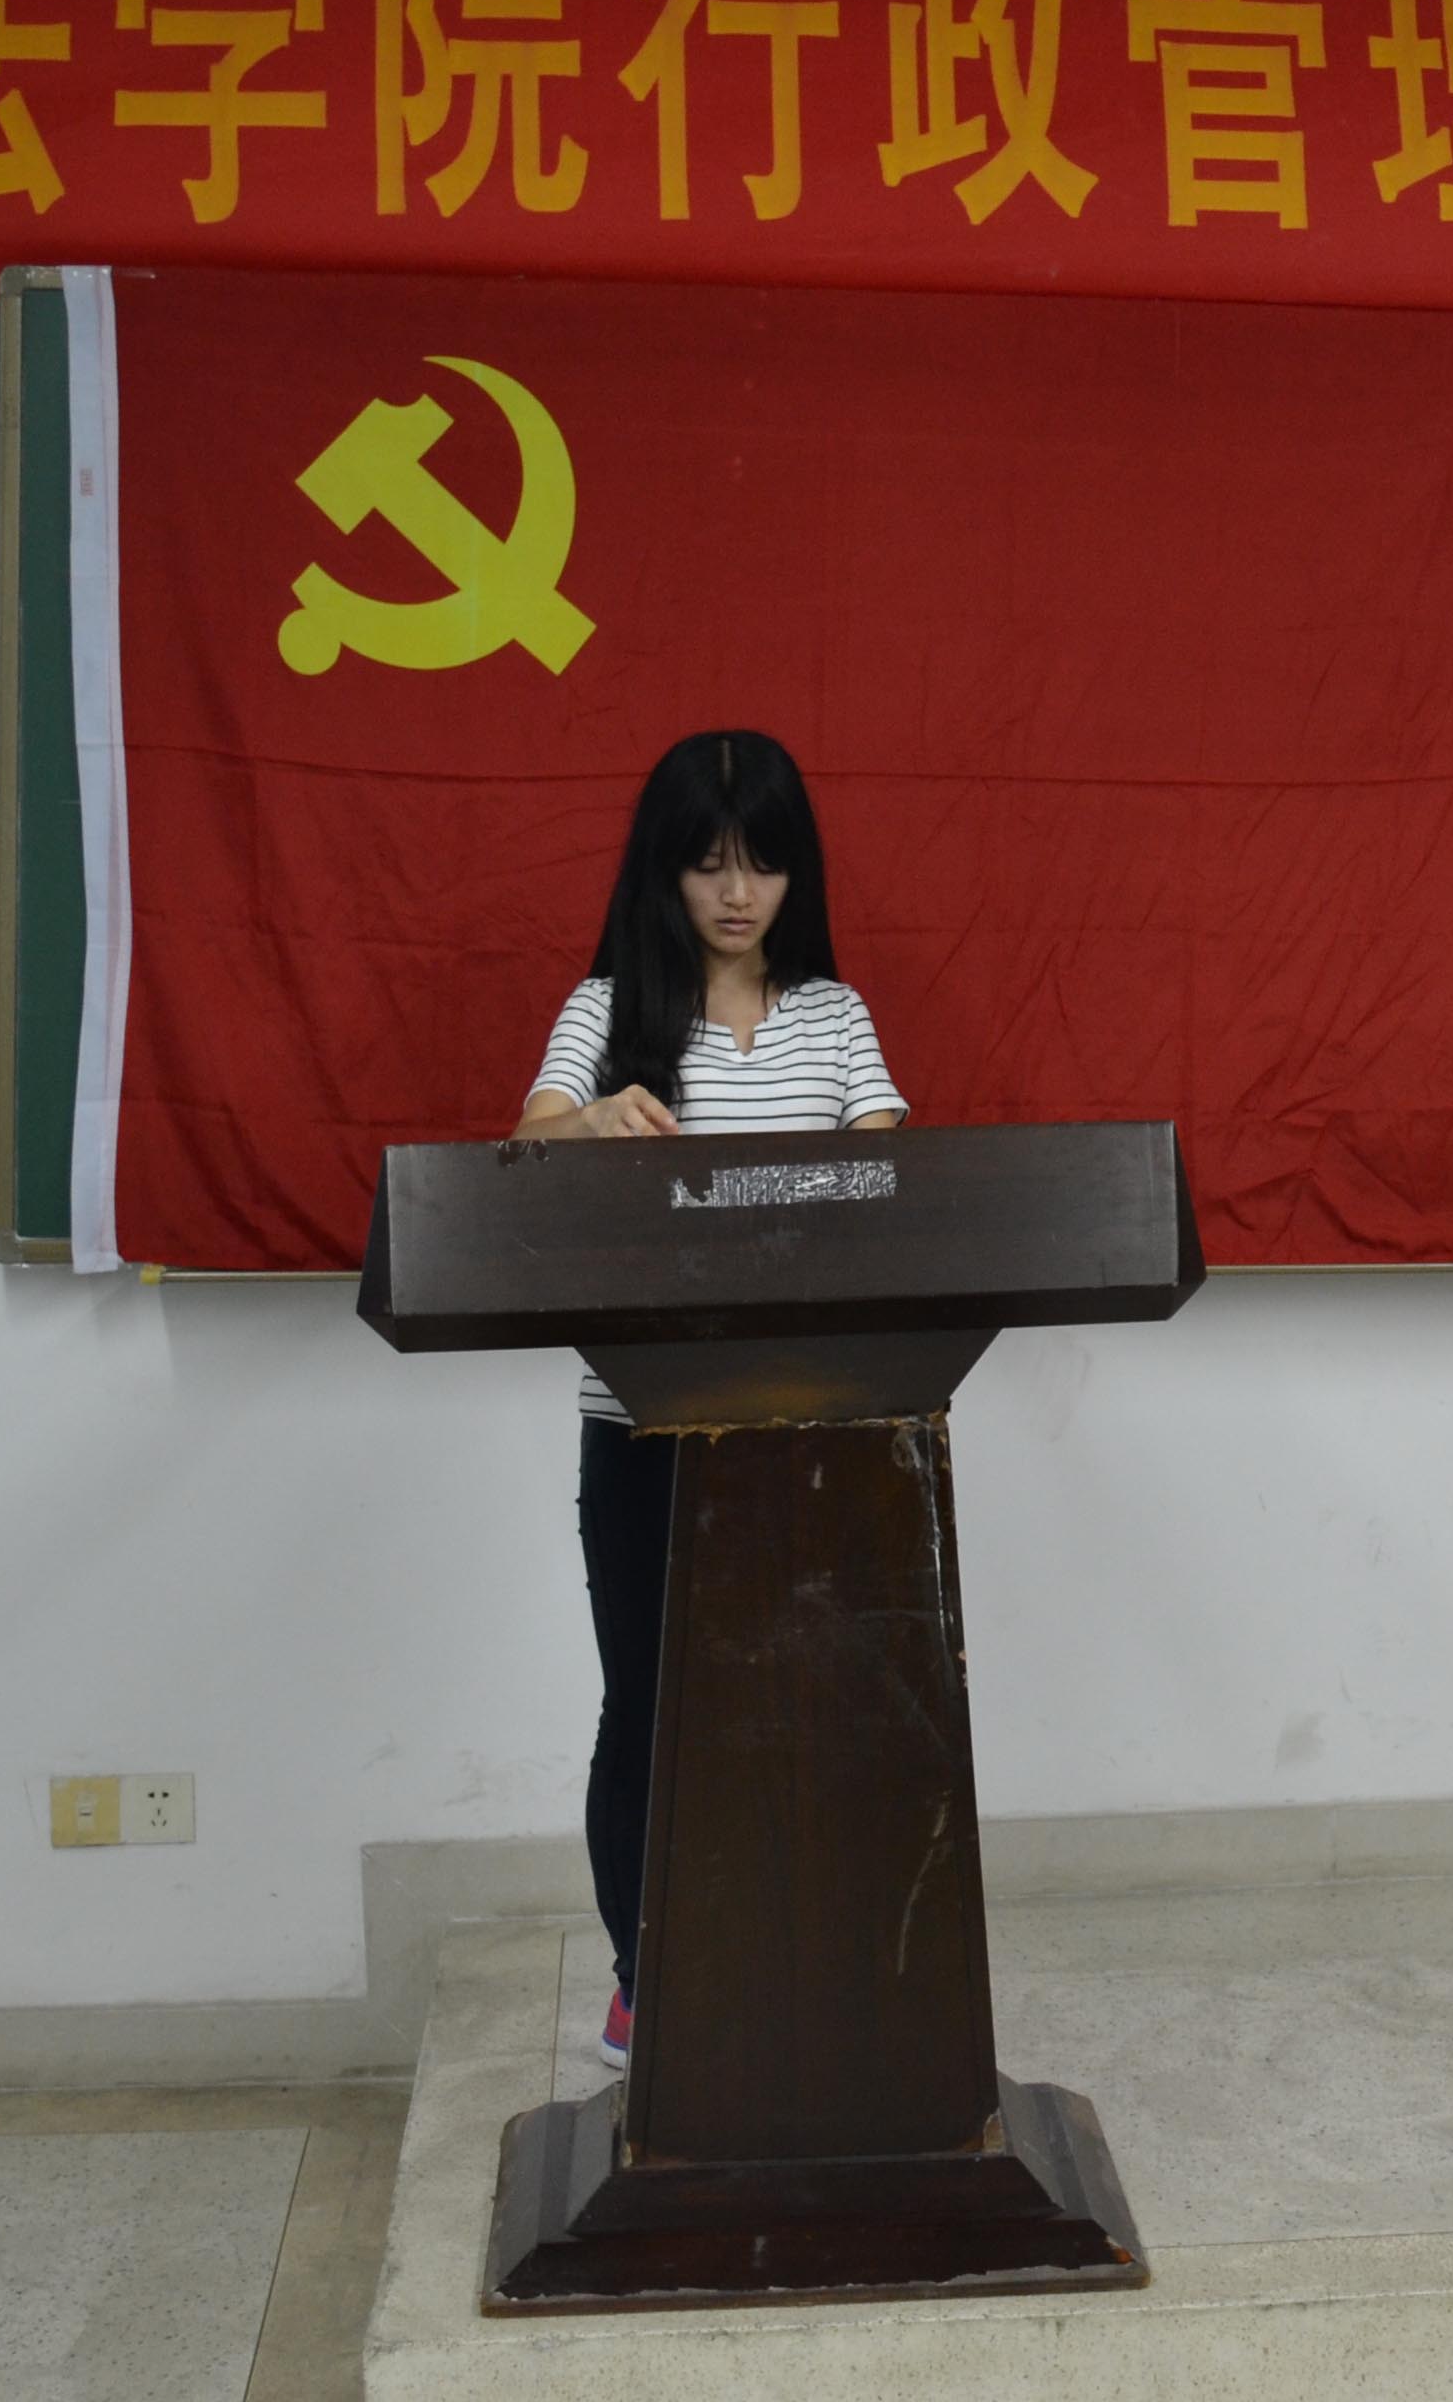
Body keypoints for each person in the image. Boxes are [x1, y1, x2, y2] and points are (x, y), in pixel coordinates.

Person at [512, 730, 906, 2062]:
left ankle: (806, 1957)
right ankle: (645, 1973)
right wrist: (592, 1120)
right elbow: (525, 1144)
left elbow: (889, 1178)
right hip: (642, 1422)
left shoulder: (835, 1016)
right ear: (664, 870)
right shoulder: (607, 1008)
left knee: (811, 1701)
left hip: (813, 1420)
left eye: (764, 865)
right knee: (646, 1702)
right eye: (709, 865)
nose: (739, 896)